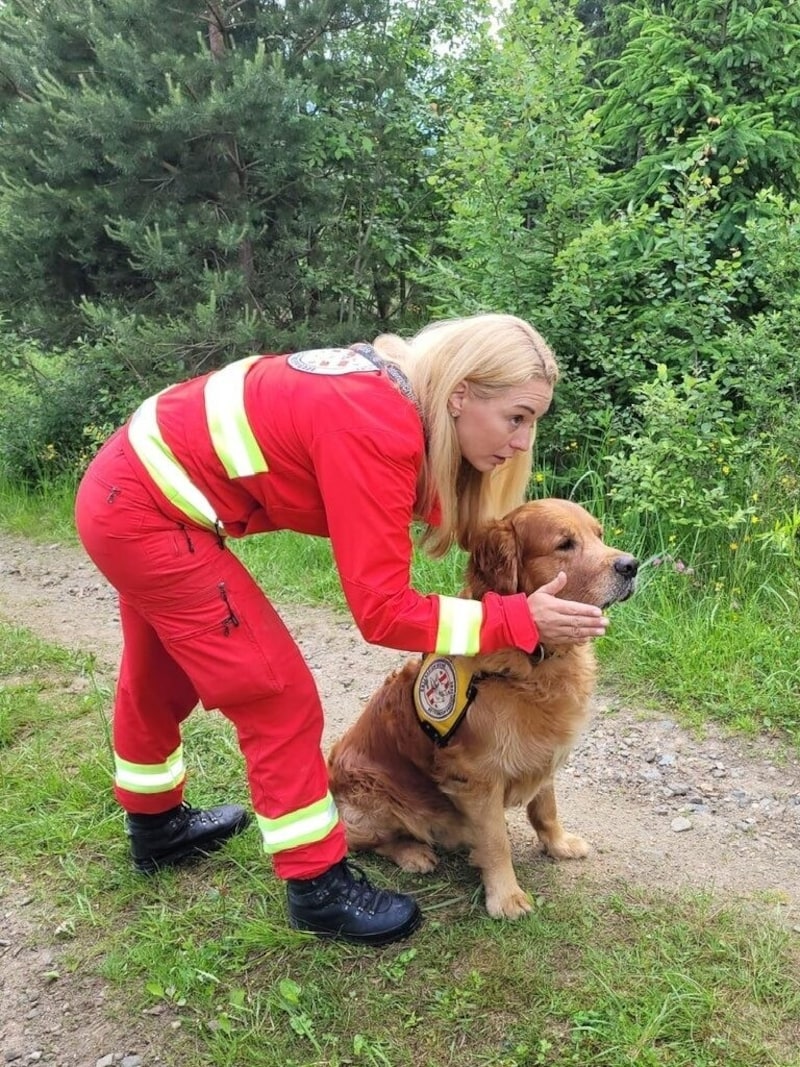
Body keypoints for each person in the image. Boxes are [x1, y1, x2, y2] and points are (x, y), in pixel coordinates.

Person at [74, 312, 609, 947]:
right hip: (143, 510)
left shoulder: (395, 400)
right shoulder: (376, 426)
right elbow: (381, 611)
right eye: (516, 417)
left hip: (127, 486)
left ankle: (157, 828)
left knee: (156, 675)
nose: (523, 441)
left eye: (533, 423)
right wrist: (514, 617)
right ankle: (317, 886)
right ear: (461, 392)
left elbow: (433, 508)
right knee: (275, 694)